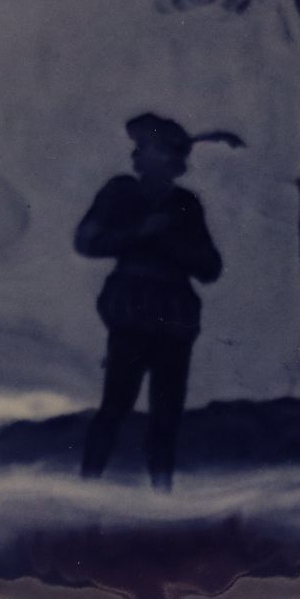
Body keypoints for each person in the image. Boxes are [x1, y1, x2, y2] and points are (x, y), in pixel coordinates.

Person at [74, 113, 242, 489]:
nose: (135, 155)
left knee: (167, 414)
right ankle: (86, 487)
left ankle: (162, 495)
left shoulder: (185, 204)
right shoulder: (119, 192)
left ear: (165, 157)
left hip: (175, 317)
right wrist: (139, 232)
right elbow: (86, 242)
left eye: (143, 148)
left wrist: (172, 241)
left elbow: (210, 267)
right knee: (116, 406)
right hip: (130, 312)